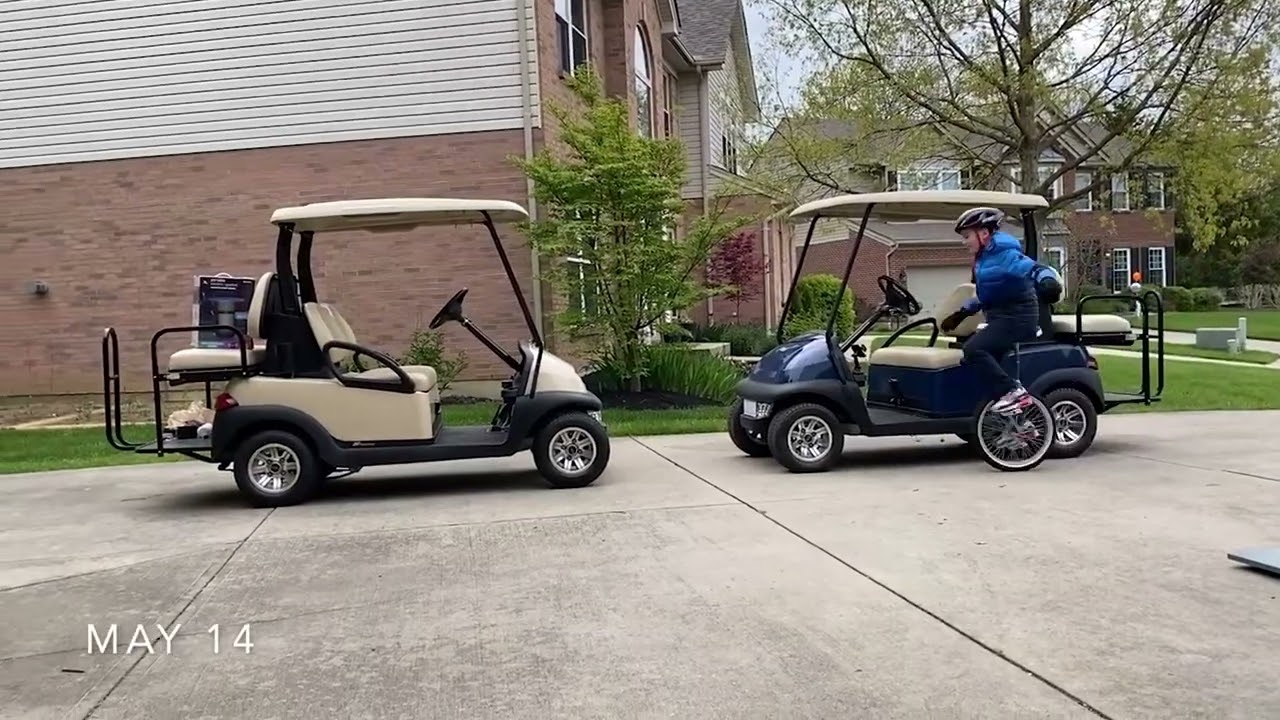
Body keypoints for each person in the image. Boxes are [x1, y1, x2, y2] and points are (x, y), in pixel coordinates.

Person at [940, 206, 1042, 413]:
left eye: (967, 236)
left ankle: (1014, 393)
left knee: (974, 349)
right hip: (1002, 318)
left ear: (984, 234)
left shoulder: (1005, 254)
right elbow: (988, 294)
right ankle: (1021, 427)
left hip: (1018, 318)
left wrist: (1047, 280)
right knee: (984, 366)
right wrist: (963, 313)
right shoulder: (985, 259)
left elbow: (1032, 268)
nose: (964, 241)